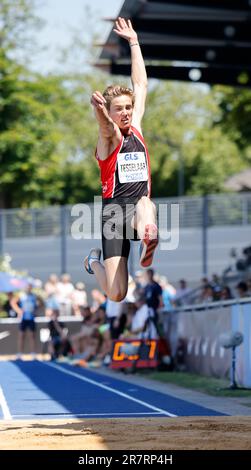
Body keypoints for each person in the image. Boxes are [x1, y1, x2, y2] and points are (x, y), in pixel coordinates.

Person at [84, 17, 158, 302]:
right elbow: (105, 126)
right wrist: (100, 110)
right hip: (114, 216)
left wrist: (134, 42)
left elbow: (140, 83)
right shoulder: (108, 139)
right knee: (116, 294)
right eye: (120, 109)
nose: (127, 112)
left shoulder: (135, 126)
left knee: (144, 203)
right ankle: (92, 263)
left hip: (138, 209)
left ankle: (148, 235)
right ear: (111, 112)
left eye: (128, 107)